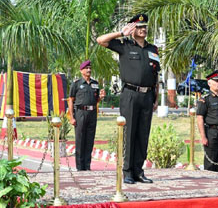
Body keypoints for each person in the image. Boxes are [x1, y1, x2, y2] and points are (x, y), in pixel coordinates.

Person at [97, 13, 160, 184]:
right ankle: (127, 171)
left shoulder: (152, 49)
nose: (142, 29)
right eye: (138, 27)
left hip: (147, 95)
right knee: (129, 132)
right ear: (132, 29)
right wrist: (120, 33)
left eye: (144, 26)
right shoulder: (124, 45)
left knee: (143, 134)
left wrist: (156, 98)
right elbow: (100, 40)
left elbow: (156, 75)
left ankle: (139, 171)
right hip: (130, 94)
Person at [68, 60, 106, 171]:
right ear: (81, 71)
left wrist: (101, 97)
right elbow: (71, 100)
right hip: (80, 113)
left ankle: (87, 166)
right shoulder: (76, 83)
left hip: (92, 113)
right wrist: (71, 117)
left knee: (90, 140)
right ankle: (80, 167)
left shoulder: (95, 84)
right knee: (80, 140)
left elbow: (96, 100)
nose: (89, 70)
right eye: (86, 68)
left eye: (90, 68)